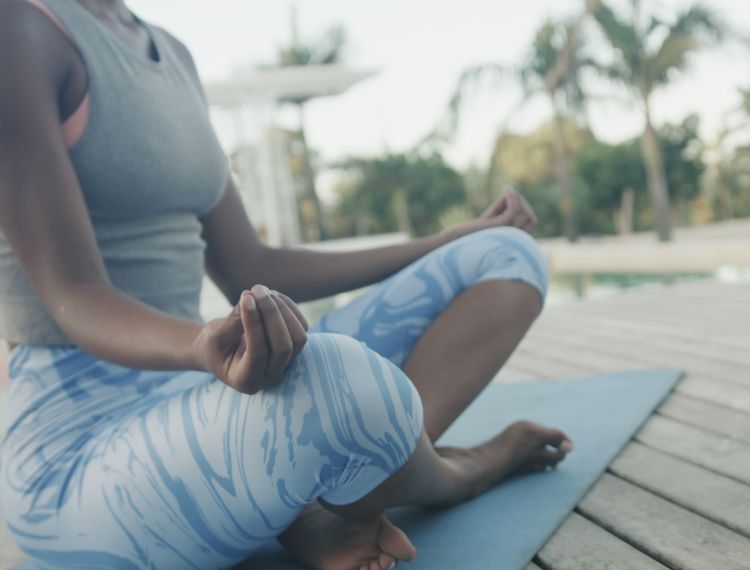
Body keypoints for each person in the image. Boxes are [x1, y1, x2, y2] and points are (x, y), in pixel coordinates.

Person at [0, 1, 572, 568]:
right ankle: (451, 475)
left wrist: (446, 241)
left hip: (196, 395)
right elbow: (75, 295)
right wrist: (202, 346)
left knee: (504, 255)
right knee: (340, 383)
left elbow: (253, 261)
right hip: (75, 447)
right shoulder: (20, 27)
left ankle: (331, 503)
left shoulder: (171, 54)